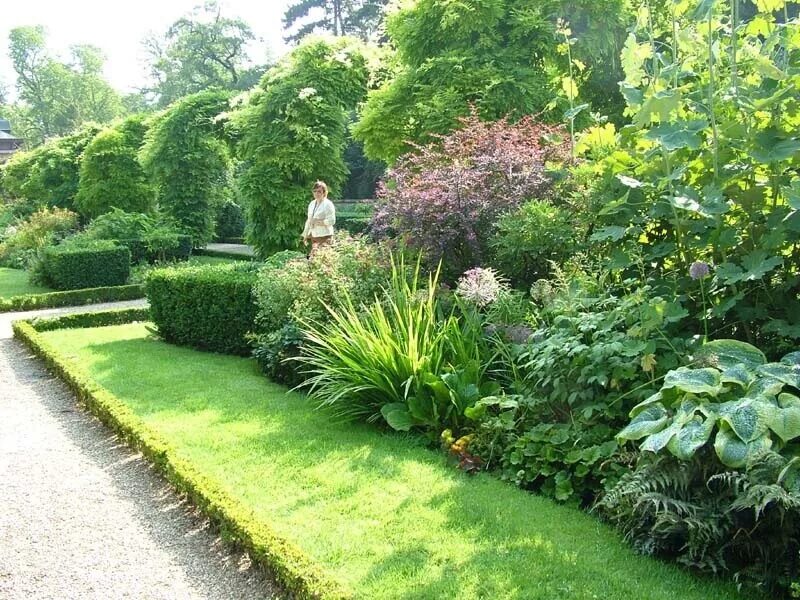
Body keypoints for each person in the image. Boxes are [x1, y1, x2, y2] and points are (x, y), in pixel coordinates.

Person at [302, 180, 336, 253]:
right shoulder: (311, 204)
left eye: (319, 191)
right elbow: (309, 220)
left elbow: (332, 220)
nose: (316, 193)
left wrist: (318, 222)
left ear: (324, 193)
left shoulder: (328, 204)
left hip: (325, 236)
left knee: (325, 260)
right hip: (314, 236)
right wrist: (305, 235)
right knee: (315, 260)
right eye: (315, 191)